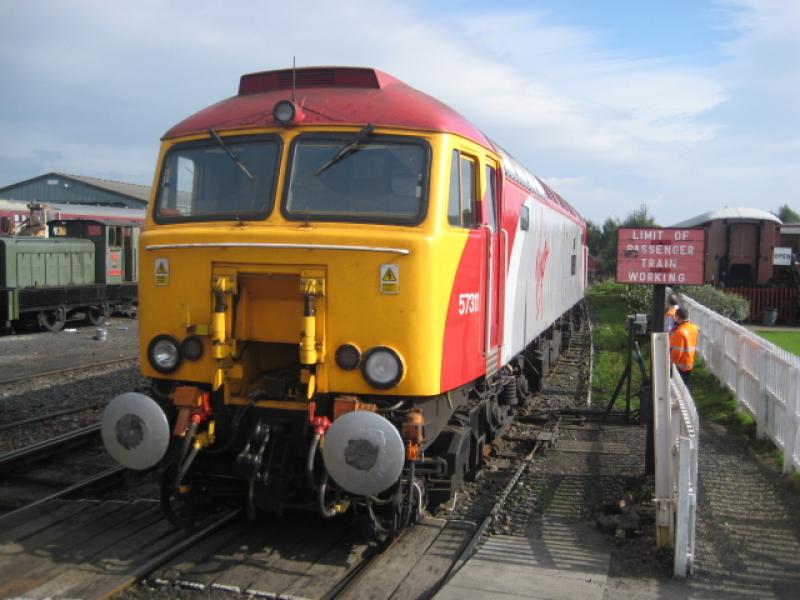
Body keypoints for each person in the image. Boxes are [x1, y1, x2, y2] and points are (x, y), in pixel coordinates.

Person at [669, 307, 699, 384]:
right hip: (689, 363)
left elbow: (677, 352)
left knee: (679, 388)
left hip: (680, 366)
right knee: (684, 386)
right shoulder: (694, 328)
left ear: (677, 317)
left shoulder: (680, 332)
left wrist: (671, 365)